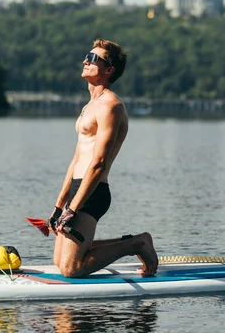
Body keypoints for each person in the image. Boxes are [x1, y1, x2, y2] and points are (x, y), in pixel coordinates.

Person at [49, 38, 158, 278]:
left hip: (93, 190)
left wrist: (73, 207)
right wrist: (59, 207)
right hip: (78, 189)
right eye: (88, 55)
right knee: (59, 261)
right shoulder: (90, 106)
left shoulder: (111, 106)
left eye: (94, 58)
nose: (86, 60)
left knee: (71, 269)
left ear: (109, 70)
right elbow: (76, 160)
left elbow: (98, 163)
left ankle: (137, 244)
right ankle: (135, 241)